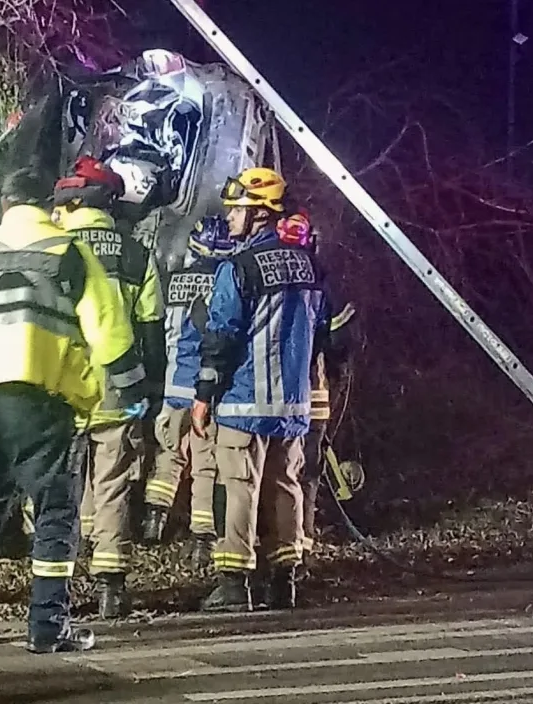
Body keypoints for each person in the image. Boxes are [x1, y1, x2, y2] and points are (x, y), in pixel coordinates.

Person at [0, 167, 142, 652]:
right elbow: (109, 329)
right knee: (54, 514)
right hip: (45, 399)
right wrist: (132, 391)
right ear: (49, 206)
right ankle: (48, 627)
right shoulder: (69, 253)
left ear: (5, 205)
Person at [191, 167, 329, 612]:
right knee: (286, 487)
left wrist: (204, 394)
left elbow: (222, 334)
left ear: (260, 214)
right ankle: (284, 583)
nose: (231, 218)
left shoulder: (239, 267)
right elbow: (324, 329)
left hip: (243, 401)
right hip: (291, 405)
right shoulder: (309, 264)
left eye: (238, 210)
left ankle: (234, 585)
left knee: (238, 488)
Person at [54, 156, 165, 619]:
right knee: (113, 480)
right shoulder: (136, 253)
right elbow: (152, 327)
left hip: (62, 381)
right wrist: (150, 388)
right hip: (119, 386)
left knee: (61, 482)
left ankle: (58, 580)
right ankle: (111, 586)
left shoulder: (52, 247)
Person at [142, 216, 236, 569]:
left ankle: (153, 521)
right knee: (205, 465)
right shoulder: (225, 280)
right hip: (203, 390)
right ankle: (202, 536)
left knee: (169, 455)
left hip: (172, 385)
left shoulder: (174, 280)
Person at [274, 210, 356, 560]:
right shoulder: (320, 287)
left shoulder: (267, 280)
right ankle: (299, 551)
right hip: (313, 395)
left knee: (277, 476)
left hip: (275, 396)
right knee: (304, 477)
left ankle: (279, 553)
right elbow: (339, 344)